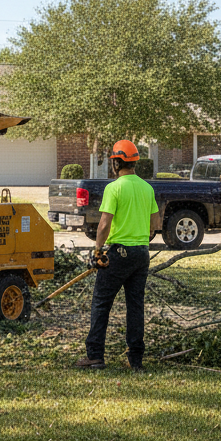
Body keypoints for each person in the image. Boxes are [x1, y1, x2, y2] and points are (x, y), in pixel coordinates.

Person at [76, 140, 158, 373]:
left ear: (116, 162)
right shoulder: (147, 188)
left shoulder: (115, 188)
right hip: (141, 254)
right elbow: (155, 224)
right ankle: (136, 360)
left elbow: (103, 224)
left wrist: (97, 251)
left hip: (118, 252)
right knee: (135, 306)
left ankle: (95, 356)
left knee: (101, 303)